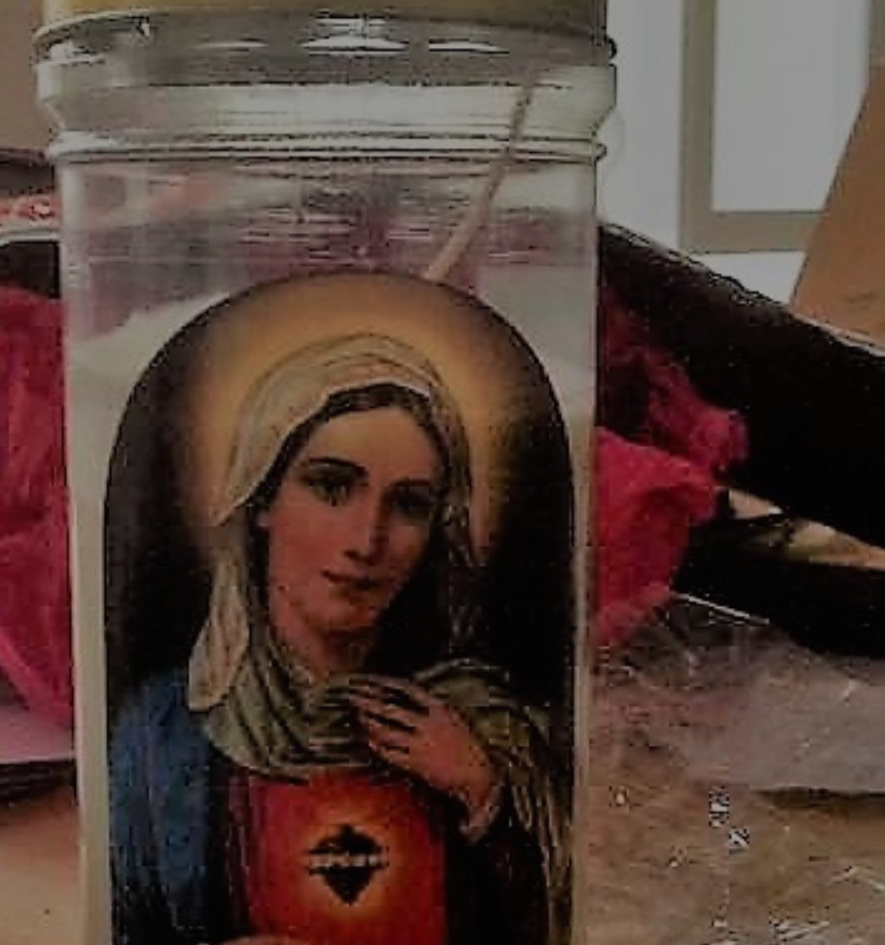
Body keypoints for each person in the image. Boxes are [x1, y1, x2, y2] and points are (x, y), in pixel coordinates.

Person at [111, 331, 567, 945]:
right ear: (262, 498)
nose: (366, 540)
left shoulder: (486, 730)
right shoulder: (163, 733)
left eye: (409, 505)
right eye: (331, 487)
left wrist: (483, 795)